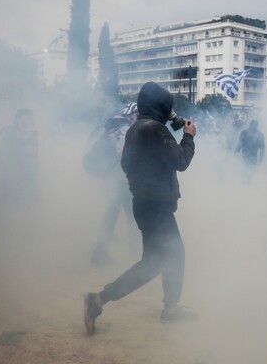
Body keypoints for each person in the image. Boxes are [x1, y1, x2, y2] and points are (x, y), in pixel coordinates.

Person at [84, 81, 197, 335]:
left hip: (144, 203)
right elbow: (181, 161)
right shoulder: (155, 129)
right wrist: (189, 136)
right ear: (161, 105)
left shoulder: (134, 128)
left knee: (158, 261)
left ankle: (166, 307)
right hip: (156, 205)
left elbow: (125, 164)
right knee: (170, 257)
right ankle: (102, 299)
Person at [91, 103, 140, 265]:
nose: (138, 119)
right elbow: (122, 155)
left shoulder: (112, 125)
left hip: (112, 180)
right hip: (122, 181)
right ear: (132, 114)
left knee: (110, 218)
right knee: (134, 218)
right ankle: (135, 258)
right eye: (137, 115)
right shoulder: (124, 128)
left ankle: (99, 255)